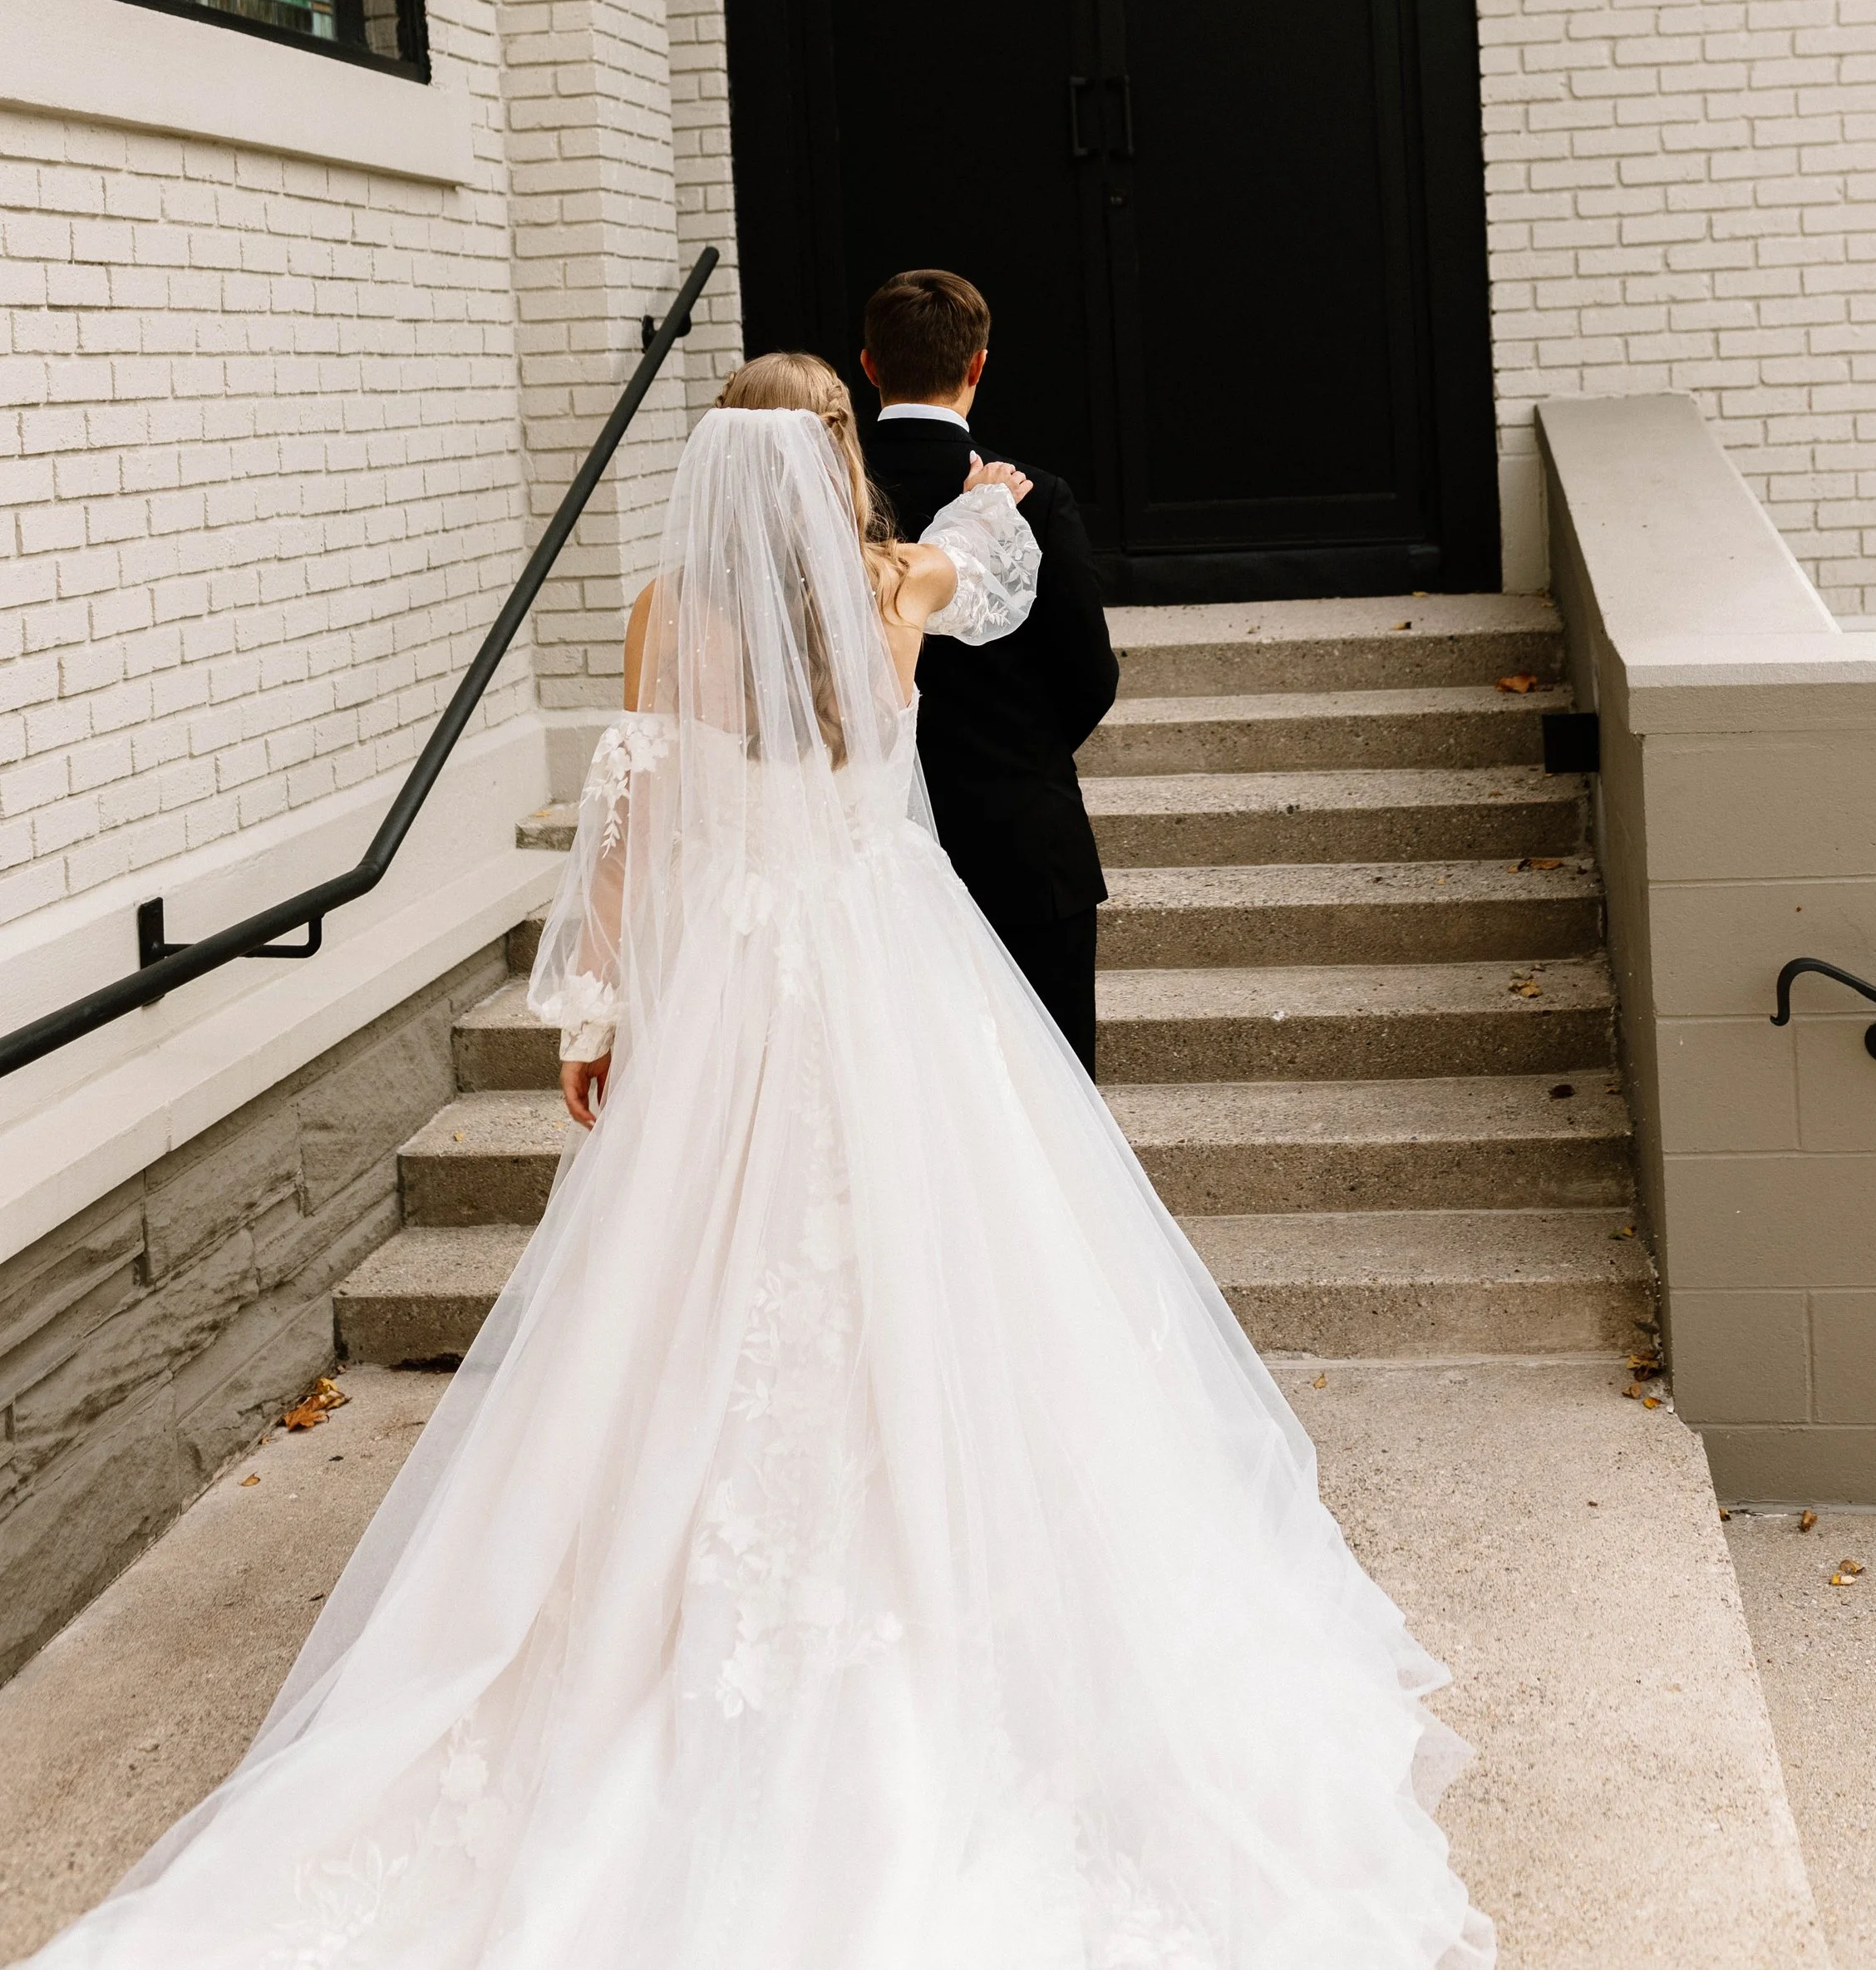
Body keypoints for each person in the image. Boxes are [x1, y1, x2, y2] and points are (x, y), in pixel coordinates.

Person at [29, 353, 1491, 1970]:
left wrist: (599, 1013)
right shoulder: (895, 582)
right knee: (943, 1278)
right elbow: (1003, 577)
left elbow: (636, 816)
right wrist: (997, 501)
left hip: (733, 1000)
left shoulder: (666, 617)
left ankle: (638, 1640)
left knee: (691, 1297)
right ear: (838, 461)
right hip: (889, 984)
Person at [861, 266, 1117, 1074]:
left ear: (868, 367)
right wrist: (1022, 759)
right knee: (1053, 1094)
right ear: (977, 365)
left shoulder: (824, 499)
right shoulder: (1032, 496)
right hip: (1021, 840)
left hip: (872, 845)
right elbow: (1089, 676)